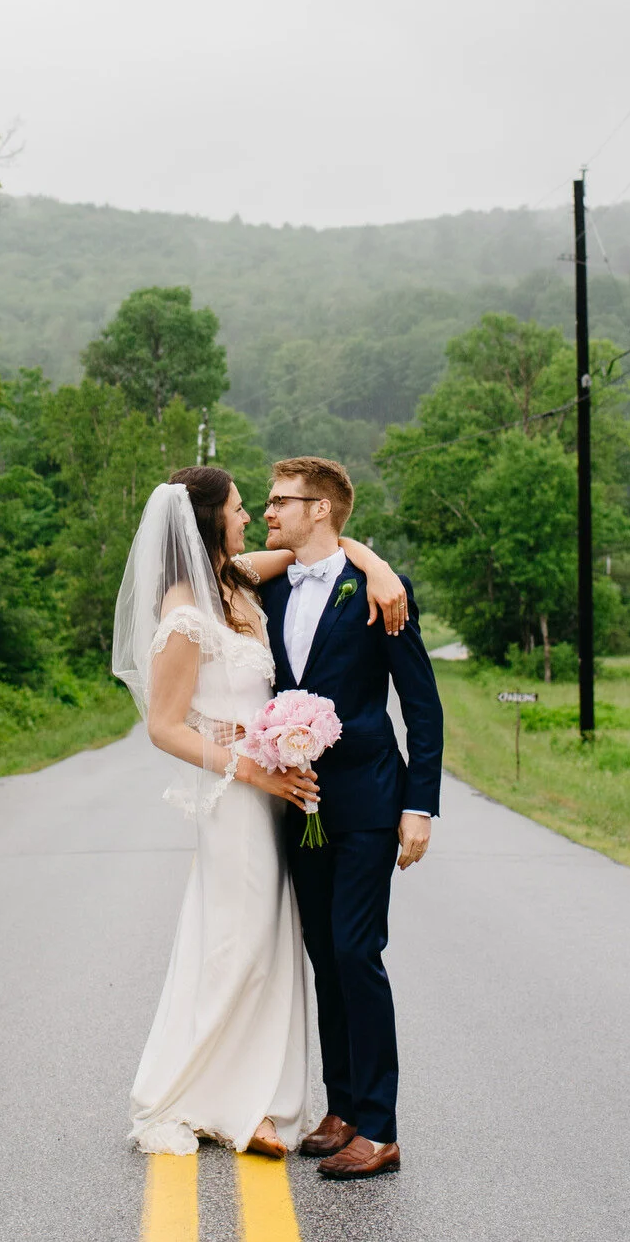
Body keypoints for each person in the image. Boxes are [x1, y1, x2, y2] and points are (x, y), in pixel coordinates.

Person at [117, 466, 408, 1161]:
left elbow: (325, 548)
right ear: (208, 519)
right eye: (242, 509)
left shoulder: (238, 580)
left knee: (272, 945)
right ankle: (212, 1099)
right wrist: (251, 764)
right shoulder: (186, 611)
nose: (251, 517)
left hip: (274, 796)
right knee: (240, 944)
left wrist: (375, 564)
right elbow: (166, 725)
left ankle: (257, 1101)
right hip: (237, 796)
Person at [258, 456, 441, 1180]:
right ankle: (339, 1107)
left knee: (356, 951)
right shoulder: (272, 587)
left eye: (282, 502)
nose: (270, 512)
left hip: (368, 798)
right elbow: (224, 561)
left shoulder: (380, 594)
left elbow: (420, 705)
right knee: (322, 956)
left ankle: (381, 1125)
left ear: (322, 509)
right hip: (298, 802)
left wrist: (418, 804)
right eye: (266, 502)